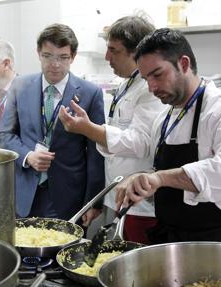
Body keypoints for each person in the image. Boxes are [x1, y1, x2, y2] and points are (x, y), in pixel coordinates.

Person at [66, 28, 221, 244]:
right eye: (147, 78)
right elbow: (161, 171)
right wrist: (141, 180)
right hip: (171, 239)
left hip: (217, 242)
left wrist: (159, 178)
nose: (152, 87)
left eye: (157, 75)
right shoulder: (165, 118)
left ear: (184, 64)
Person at [58, 15, 164, 244]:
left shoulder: (149, 89)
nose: (107, 57)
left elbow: (141, 142)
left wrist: (89, 130)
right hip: (118, 196)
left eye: (113, 50)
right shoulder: (127, 83)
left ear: (136, 52)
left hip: (139, 205)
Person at [0, 24, 105, 223]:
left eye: (62, 57)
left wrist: (93, 202)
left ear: (73, 56)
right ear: (38, 53)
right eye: (48, 56)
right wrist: (27, 156)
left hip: (68, 196)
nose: (55, 64)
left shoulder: (91, 93)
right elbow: (4, 135)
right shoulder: (20, 86)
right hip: (25, 191)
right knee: (24, 250)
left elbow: (96, 152)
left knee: (63, 252)